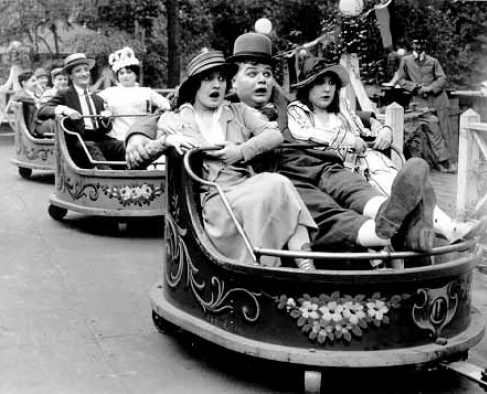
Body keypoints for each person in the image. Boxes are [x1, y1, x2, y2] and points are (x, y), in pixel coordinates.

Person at [126, 34, 437, 256]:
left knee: (335, 176)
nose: (263, 80)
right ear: (233, 81)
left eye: (267, 73)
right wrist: (138, 137)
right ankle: (377, 231)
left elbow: (344, 112)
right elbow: (164, 118)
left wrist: (377, 123)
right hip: (264, 175)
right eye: (252, 73)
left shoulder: (286, 102)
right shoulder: (222, 103)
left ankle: (392, 216)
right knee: (308, 197)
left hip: (310, 162)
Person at [288, 56, 487, 244]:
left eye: (331, 83)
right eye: (319, 83)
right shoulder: (297, 110)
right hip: (333, 171)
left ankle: (449, 227)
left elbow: (363, 131)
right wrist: (349, 140)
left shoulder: (341, 107)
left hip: (363, 161)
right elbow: (305, 134)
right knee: (388, 188)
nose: (327, 89)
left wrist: (383, 130)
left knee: (394, 180)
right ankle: (425, 230)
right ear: (307, 87)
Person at [153, 50, 317, 269]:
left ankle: (306, 268)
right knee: (268, 191)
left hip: (243, 184)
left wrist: (240, 151)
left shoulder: (238, 111)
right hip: (213, 198)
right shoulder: (175, 119)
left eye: (221, 79)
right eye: (208, 79)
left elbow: (274, 135)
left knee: (278, 184)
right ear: (194, 85)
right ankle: (266, 271)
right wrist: (167, 140)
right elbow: (139, 158)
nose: (217, 85)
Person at [38, 53, 126, 169]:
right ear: (71, 76)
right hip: (77, 143)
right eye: (78, 71)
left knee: (120, 145)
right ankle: (108, 177)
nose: (84, 73)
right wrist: (65, 109)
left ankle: (135, 175)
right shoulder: (65, 94)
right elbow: (42, 111)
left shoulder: (97, 99)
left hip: (98, 140)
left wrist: (106, 119)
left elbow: (106, 129)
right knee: (89, 145)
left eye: (86, 70)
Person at [393, 37, 457, 173]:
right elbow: (400, 79)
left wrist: (430, 88)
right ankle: (441, 162)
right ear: (412, 44)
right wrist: (415, 87)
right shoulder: (406, 60)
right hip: (421, 101)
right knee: (432, 131)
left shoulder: (433, 61)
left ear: (425, 44)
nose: (418, 45)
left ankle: (451, 161)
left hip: (439, 100)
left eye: (421, 42)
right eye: (416, 42)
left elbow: (442, 78)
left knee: (445, 131)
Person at [98, 46, 170, 142]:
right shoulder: (109, 92)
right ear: (117, 76)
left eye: (129, 72)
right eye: (122, 73)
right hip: (116, 138)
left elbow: (166, 104)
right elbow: (90, 101)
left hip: (141, 136)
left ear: (136, 74)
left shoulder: (146, 92)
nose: (125, 76)